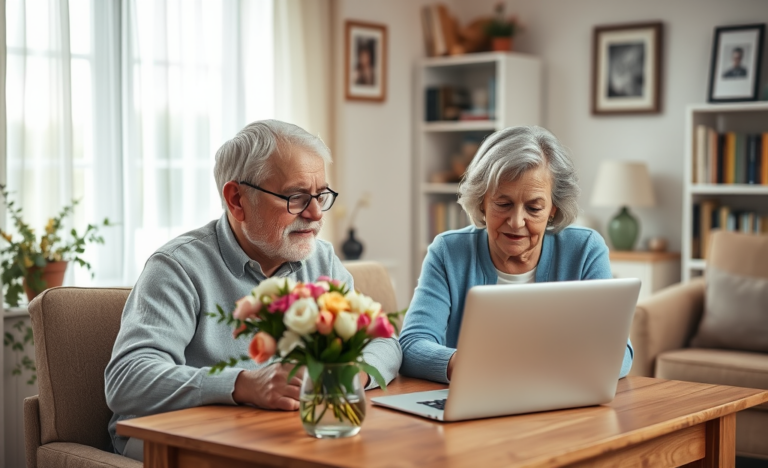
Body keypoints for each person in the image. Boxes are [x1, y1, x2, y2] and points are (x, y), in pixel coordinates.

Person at [105, 120, 402, 461]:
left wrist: (353, 374)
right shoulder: (178, 267)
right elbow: (127, 379)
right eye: (296, 197)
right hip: (176, 438)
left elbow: (385, 341)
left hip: (276, 432)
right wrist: (243, 384)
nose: (316, 213)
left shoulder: (321, 259)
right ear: (237, 200)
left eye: (321, 195)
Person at [399, 126, 633, 383]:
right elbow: (412, 345)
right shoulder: (448, 252)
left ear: (553, 209)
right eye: (503, 204)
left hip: (561, 397)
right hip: (473, 396)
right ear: (482, 202)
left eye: (534, 208)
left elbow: (619, 352)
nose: (516, 221)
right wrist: (471, 367)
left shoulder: (585, 250)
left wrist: (533, 371)